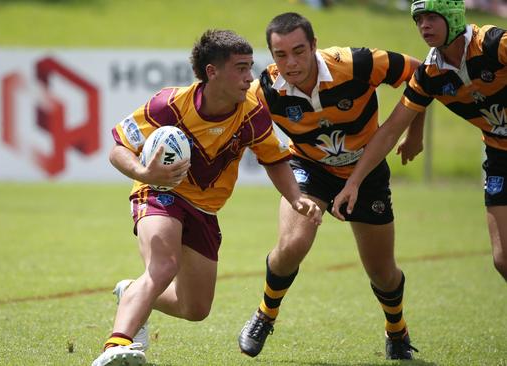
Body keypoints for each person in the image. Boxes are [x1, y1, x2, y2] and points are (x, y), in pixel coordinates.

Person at [92, 29, 322, 366]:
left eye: (250, 67)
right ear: (212, 72)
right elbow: (118, 149)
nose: (249, 78)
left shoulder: (253, 113)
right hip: (160, 192)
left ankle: (131, 293)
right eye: (240, 69)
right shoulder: (169, 104)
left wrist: (296, 198)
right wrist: (144, 174)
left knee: (195, 309)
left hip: (205, 209)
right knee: (163, 265)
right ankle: (115, 346)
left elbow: (274, 159)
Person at [237, 12, 425, 361]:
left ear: (314, 46)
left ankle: (396, 331)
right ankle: (265, 314)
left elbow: (419, 74)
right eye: (280, 55)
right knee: (294, 243)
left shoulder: (357, 64)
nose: (291, 63)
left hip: (366, 173)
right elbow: (231, 119)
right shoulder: (263, 90)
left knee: (383, 273)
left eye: (299, 51)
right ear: (271, 55)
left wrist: (416, 133)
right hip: (308, 168)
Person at [332, 0, 507, 281]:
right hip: (500, 157)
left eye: (431, 17)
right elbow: (390, 130)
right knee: (503, 260)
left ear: (452, 17)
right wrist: (353, 182)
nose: (423, 25)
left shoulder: (492, 44)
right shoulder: (429, 75)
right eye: (418, 19)